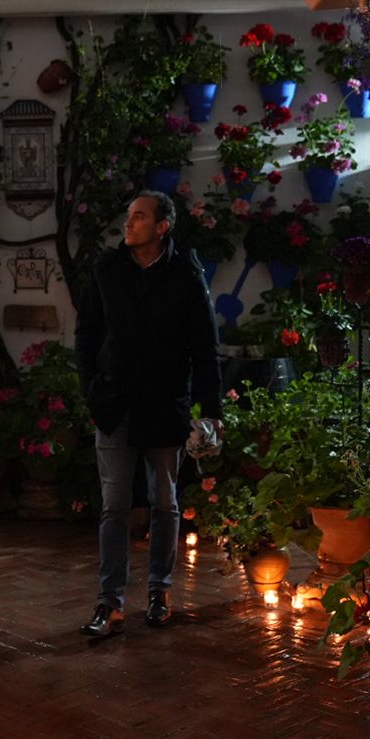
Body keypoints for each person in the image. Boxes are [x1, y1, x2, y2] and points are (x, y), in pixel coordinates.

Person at [75, 190, 223, 637]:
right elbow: (87, 334)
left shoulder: (184, 273)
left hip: (164, 404)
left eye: (139, 217)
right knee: (113, 506)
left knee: (164, 502)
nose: (129, 223)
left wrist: (210, 411)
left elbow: (204, 346)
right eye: (129, 216)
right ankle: (110, 601)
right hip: (114, 404)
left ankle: (159, 590)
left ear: (162, 226)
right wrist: (92, 389)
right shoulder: (107, 269)